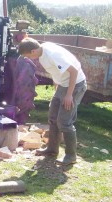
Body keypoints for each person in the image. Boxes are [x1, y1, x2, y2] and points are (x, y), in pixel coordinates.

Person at [18, 37, 87, 166]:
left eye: (27, 55)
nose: (28, 58)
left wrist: (69, 95)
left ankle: (71, 156)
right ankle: (52, 149)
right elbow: (56, 71)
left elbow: (73, 71)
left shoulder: (53, 55)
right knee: (53, 117)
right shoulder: (42, 51)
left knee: (64, 122)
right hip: (63, 85)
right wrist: (57, 88)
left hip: (75, 85)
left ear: (33, 51)